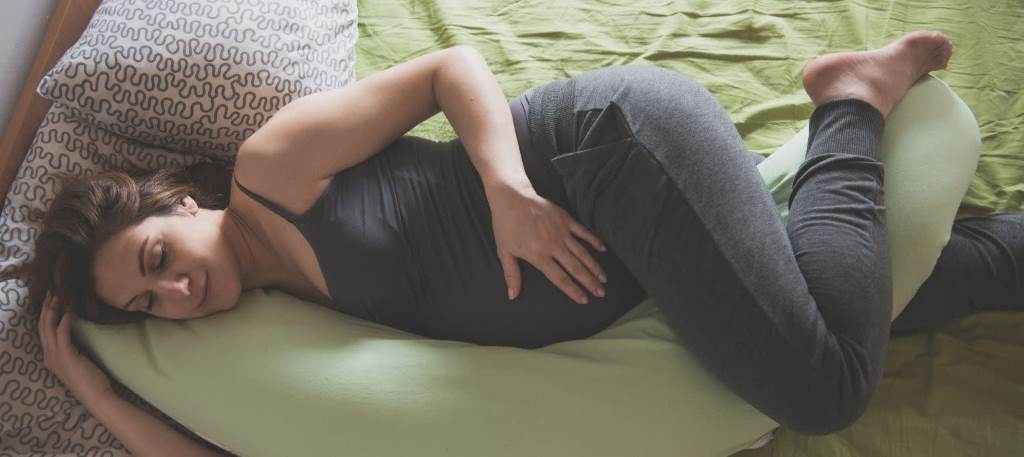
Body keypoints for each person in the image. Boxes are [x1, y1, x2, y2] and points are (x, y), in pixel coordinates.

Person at [13, 30, 1022, 454]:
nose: (174, 295)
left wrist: (503, 189)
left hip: (613, 151)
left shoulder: (272, 171)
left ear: (178, 209)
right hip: (636, 263)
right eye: (149, 306)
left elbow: (448, 66)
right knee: (901, 297)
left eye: (155, 263)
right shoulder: (266, 329)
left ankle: (850, 102)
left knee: (824, 388)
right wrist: (94, 389)